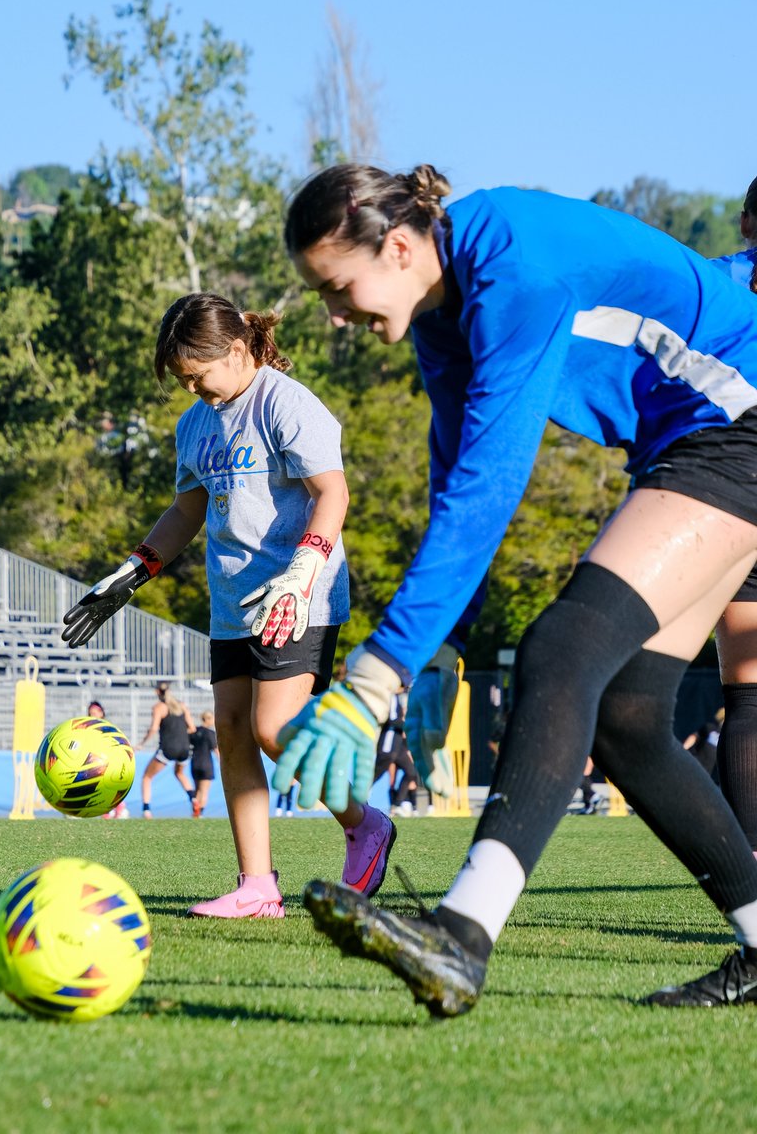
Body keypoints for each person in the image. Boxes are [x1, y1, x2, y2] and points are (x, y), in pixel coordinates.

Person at [273, 162, 757, 1013]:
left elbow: (489, 490)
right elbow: (453, 485)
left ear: (397, 247)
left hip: (737, 422)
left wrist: (375, 677)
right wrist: (437, 646)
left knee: (563, 650)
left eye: (337, 288)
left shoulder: (512, 264)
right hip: (697, 438)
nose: (335, 315)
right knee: (627, 715)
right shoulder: (442, 314)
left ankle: (461, 936)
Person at [62, 292, 395, 916]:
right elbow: (187, 510)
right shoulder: (195, 425)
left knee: (272, 729)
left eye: (199, 374)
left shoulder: (285, 403)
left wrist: (302, 571)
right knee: (236, 735)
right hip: (232, 602)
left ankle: (365, 824)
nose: (193, 388)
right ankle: (257, 886)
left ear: (238, 350)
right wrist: (133, 573)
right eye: (183, 379)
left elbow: (333, 492)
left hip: (297, 595)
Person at [708, 176, 757, 853]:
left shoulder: (710, 283)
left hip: (728, 491)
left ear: (747, 222)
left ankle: (752, 878)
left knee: (749, 697)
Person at [139, 683, 198, 818]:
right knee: (179, 773)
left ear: (157, 692)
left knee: (147, 777)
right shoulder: (181, 705)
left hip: (168, 748)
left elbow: (154, 728)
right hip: (185, 748)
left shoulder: (159, 707)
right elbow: (192, 728)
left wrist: (142, 743)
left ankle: (146, 810)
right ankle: (194, 799)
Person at [90, 699, 130, 820]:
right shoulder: (88, 728)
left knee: (110, 785)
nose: (93, 715)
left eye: (95, 712)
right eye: (91, 713)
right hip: (95, 762)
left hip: (108, 761)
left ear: (101, 713)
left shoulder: (107, 727)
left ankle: (119, 808)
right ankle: (107, 812)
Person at [190, 710, 219, 817]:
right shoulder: (210, 733)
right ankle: (200, 812)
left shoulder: (194, 731)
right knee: (204, 790)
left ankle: (195, 810)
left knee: (197, 789)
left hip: (195, 763)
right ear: (207, 719)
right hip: (206, 763)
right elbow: (216, 750)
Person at [683, 707, 724, 780]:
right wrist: (682, 749)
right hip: (690, 763)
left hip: (703, 776)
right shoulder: (710, 728)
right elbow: (694, 737)